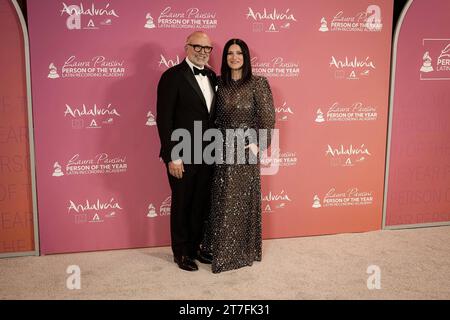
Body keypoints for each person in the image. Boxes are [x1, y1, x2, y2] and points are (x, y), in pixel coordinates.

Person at [202, 39, 276, 273]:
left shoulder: (258, 83)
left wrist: (257, 147)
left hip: (244, 150)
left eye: (239, 53)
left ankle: (239, 252)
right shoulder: (219, 83)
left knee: (239, 201)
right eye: (230, 53)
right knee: (220, 199)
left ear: (246, 57)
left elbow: (267, 118)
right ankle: (216, 248)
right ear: (225, 58)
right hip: (219, 148)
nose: (234, 57)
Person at [156, 31, 216, 272]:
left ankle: (195, 248)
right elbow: (164, 119)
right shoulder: (172, 76)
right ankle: (181, 253)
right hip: (182, 152)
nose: (202, 51)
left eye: (207, 48)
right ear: (187, 47)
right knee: (183, 203)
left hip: (208, 152)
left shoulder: (212, 76)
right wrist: (173, 156)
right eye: (197, 46)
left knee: (201, 203)